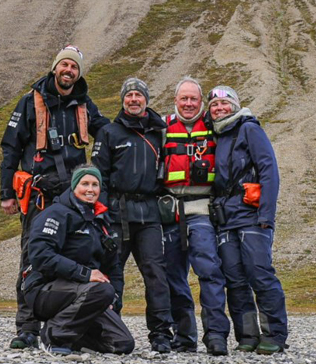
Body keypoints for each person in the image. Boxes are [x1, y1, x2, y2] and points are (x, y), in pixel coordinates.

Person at [0, 45, 110, 349]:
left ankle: (70, 325)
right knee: (32, 259)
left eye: (74, 67)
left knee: (76, 258)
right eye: (64, 65)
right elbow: (10, 149)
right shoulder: (28, 103)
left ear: (79, 72)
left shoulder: (85, 105)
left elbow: (109, 134)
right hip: (39, 198)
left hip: (75, 200)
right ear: (55, 68)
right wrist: (6, 193)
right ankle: (27, 327)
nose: (68, 71)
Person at [91, 78, 174, 353]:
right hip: (117, 213)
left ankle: (161, 334)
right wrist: (100, 211)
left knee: (156, 274)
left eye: (139, 95)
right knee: (112, 274)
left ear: (147, 100)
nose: (134, 100)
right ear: (122, 100)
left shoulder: (159, 132)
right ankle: (108, 332)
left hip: (150, 214)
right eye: (129, 96)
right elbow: (98, 175)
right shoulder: (109, 132)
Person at [208, 85, 288, 355]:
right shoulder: (214, 136)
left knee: (260, 275)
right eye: (214, 106)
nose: (219, 109)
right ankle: (247, 335)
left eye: (224, 104)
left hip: (252, 217)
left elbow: (269, 169)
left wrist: (266, 214)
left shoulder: (249, 129)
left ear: (234, 105)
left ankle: (274, 334)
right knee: (235, 280)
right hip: (225, 219)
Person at [22, 165, 134, 356]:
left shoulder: (100, 221)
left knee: (122, 343)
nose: (90, 189)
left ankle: (73, 336)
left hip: (86, 294)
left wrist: (113, 301)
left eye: (95, 184)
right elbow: (40, 256)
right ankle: (54, 334)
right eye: (84, 183)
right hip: (45, 289)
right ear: (74, 186)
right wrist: (86, 274)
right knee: (101, 289)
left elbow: (114, 267)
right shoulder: (55, 213)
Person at [161, 76, 230, 355]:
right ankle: (184, 337)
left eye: (193, 99)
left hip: (202, 211)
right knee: (173, 275)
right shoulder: (162, 128)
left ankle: (216, 335)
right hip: (170, 213)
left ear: (201, 102)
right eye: (183, 99)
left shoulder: (215, 128)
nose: (188, 104)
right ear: (175, 101)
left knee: (210, 272)